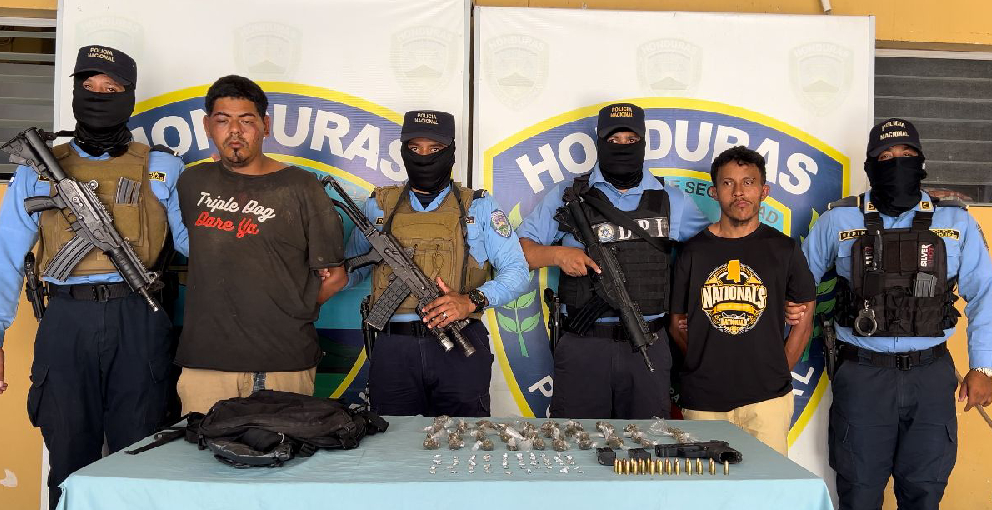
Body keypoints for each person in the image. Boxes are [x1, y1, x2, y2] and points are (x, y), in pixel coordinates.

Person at [0, 45, 188, 508]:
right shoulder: (38, 169)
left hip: (139, 316)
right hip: (66, 319)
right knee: (68, 454)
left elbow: (193, 246)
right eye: (89, 86)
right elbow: (5, 255)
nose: (99, 95)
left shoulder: (162, 166)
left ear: (129, 96)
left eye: (111, 88)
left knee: (140, 454)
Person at [802, 118, 992, 509]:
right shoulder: (838, 220)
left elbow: (984, 294)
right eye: (886, 156)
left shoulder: (955, 221)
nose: (897, 162)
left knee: (925, 492)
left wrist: (983, 367)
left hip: (930, 375)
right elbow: (798, 287)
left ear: (921, 161)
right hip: (862, 375)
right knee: (859, 492)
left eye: (906, 154)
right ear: (871, 165)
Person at [517, 103, 711, 419]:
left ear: (643, 142)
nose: (622, 146)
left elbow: (711, 253)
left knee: (649, 442)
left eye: (630, 140)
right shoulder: (568, 195)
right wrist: (557, 254)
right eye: (614, 140)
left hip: (648, 341)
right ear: (599, 142)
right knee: (577, 442)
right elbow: (519, 253)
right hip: (584, 344)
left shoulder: (672, 200)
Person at [174, 75, 348, 413]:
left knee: (285, 447)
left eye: (246, 120)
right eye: (223, 120)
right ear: (207, 126)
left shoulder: (302, 186)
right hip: (206, 367)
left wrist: (289, 311)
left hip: (283, 365)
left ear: (265, 126)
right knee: (201, 448)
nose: (234, 131)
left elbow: (335, 277)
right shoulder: (191, 182)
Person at [344, 110, 528, 417]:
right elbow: (350, 271)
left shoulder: (478, 205)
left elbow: (517, 272)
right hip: (393, 346)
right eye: (415, 148)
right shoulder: (379, 205)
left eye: (435, 148)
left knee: (463, 438)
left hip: (460, 341)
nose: (424, 156)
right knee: (391, 439)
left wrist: (470, 301)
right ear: (404, 149)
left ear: (451, 151)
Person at [668, 146, 816, 455]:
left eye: (748, 182)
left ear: (764, 191)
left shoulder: (784, 249)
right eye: (728, 183)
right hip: (704, 401)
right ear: (714, 192)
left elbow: (804, 320)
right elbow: (677, 324)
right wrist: (704, 362)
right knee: (706, 485)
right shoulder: (693, 252)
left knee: (769, 484)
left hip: (767, 403)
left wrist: (775, 373)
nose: (739, 192)